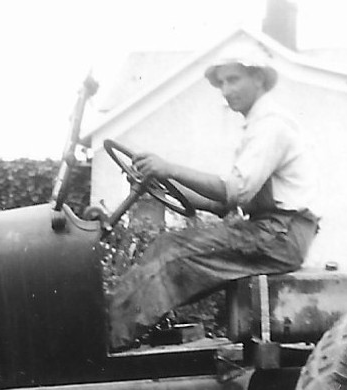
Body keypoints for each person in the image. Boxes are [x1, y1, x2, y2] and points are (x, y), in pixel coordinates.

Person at [107, 46, 318, 351]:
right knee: (166, 247)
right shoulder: (259, 128)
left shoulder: (272, 127)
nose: (226, 90)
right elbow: (222, 204)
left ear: (258, 79)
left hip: (280, 234)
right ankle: (121, 331)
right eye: (221, 83)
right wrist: (164, 181)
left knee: (171, 254)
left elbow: (234, 191)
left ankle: (108, 344)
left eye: (233, 80)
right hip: (274, 232)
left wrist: (170, 167)